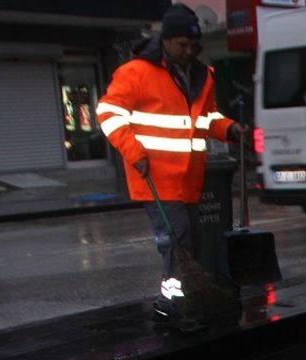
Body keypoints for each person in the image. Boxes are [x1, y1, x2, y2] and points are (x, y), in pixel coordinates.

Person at [96, 3, 247, 330]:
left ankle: (179, 302)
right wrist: (134, 152)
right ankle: (170, 307)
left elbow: (206, 119)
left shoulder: (204, 75)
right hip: (155, 176)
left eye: (194, 46)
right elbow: (108, 114)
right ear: (165, 40)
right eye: (182, 45)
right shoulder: (136, 73)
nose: (188, 51)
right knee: (176, 243)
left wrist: (229, 129)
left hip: (190, 179)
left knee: (186, 242)